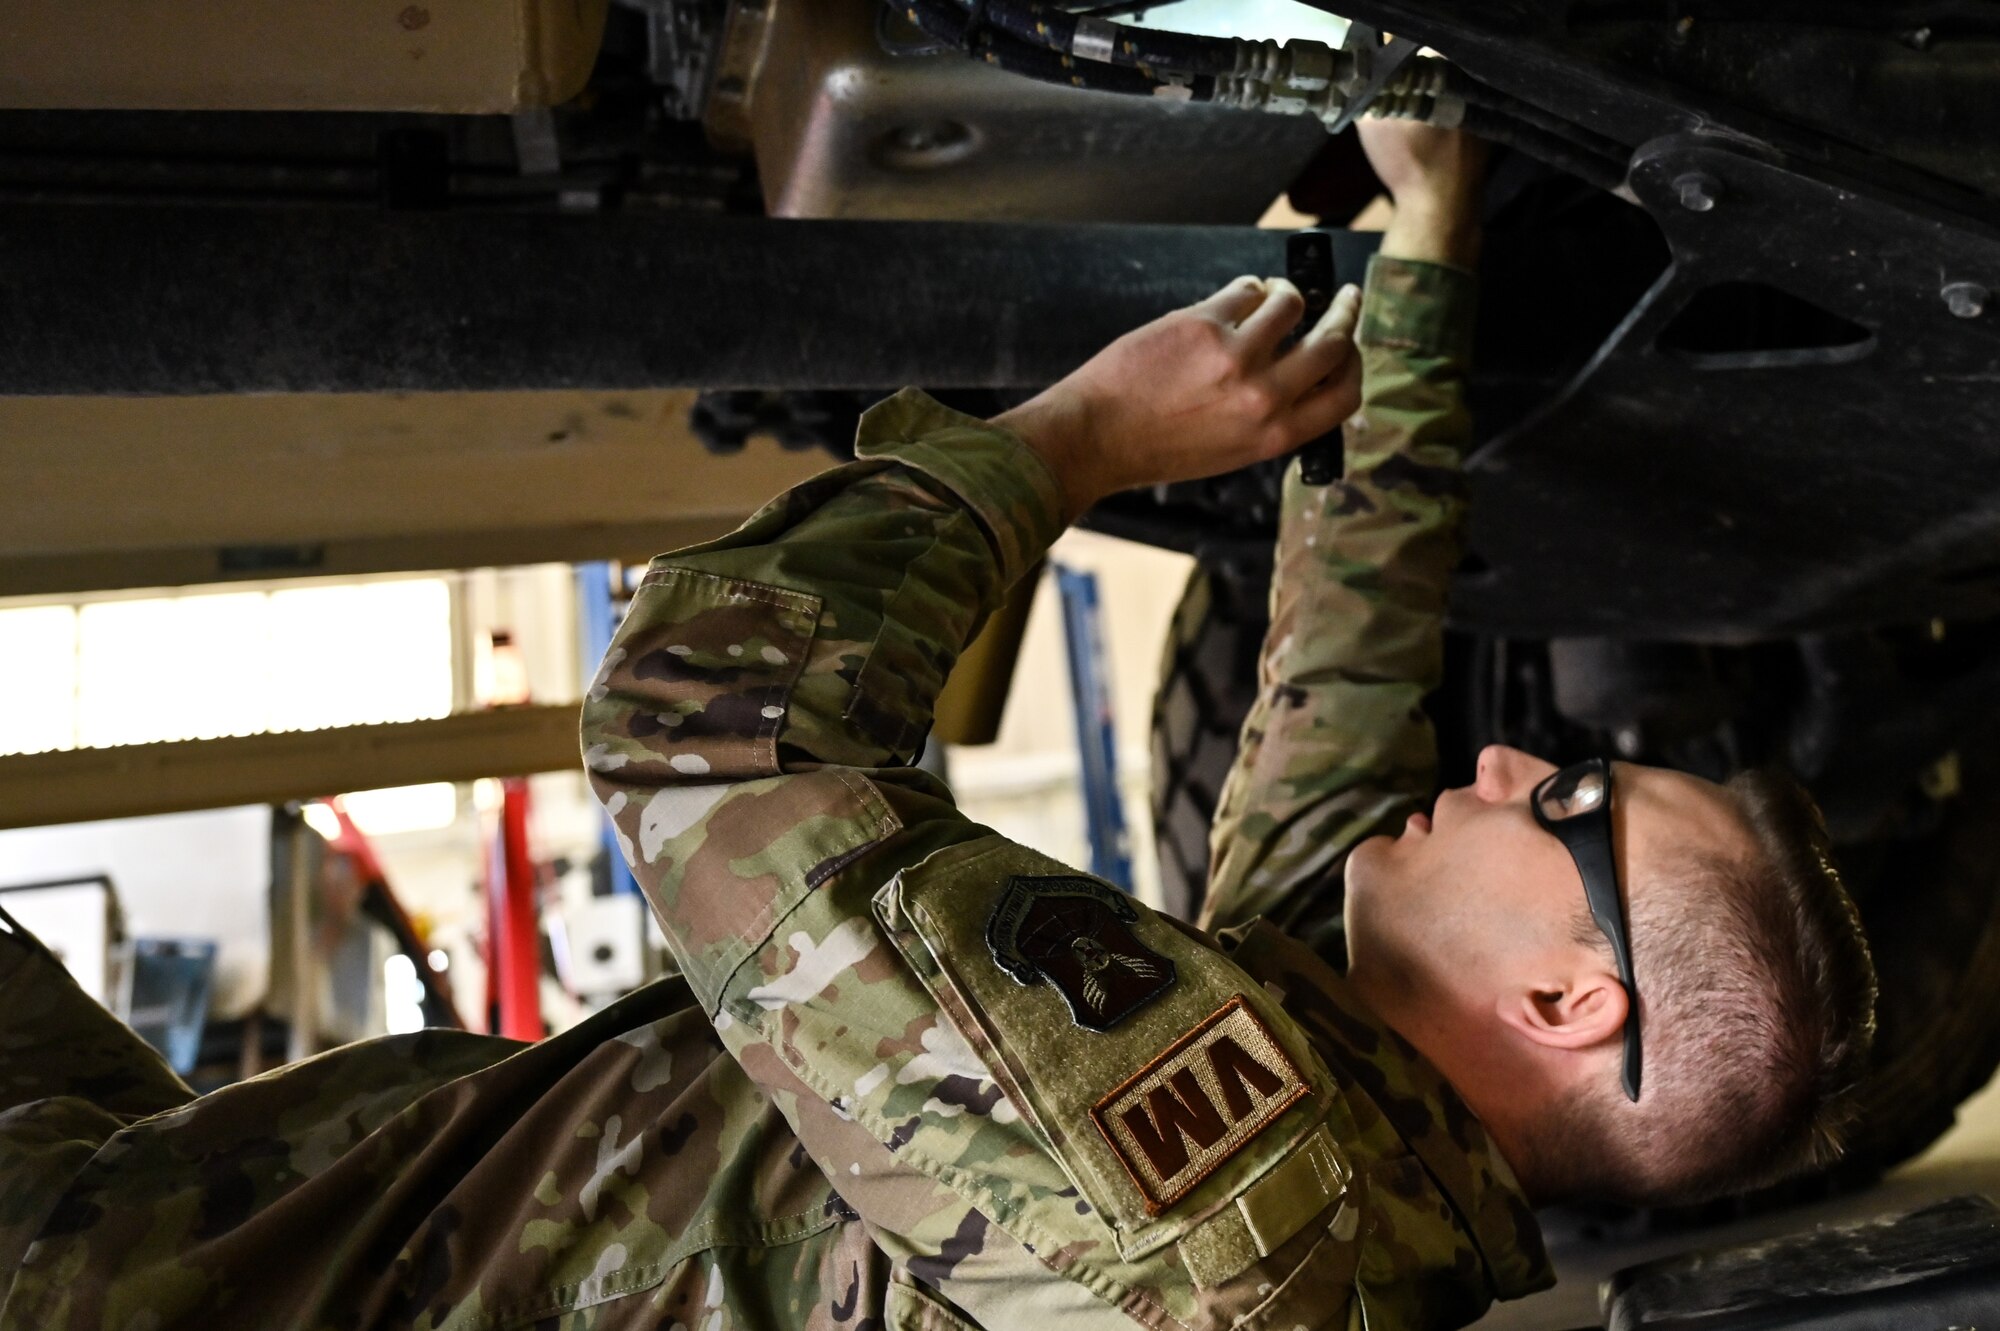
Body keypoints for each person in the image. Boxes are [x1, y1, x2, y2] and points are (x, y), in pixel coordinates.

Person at [0, 121, 1874, 1331]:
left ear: (1568, 1002)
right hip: (188, 1216)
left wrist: (1073, 444)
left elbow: (698, 731)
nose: (1503, 759)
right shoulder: (1354, 1164)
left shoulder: (1191, 1204)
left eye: (1562, 802)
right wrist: (1432, 247)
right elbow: (1342, 685)